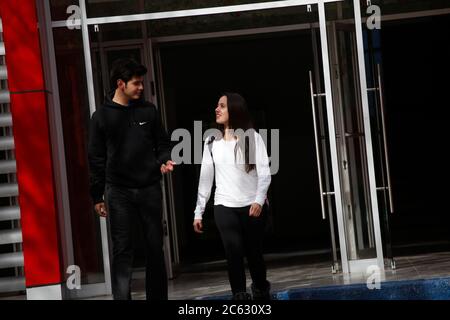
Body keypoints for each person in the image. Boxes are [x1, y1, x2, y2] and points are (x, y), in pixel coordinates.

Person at [88, 58, 175, 300]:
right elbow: (95, 158)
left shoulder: (149, 110)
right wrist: (97, 195)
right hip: (118, 193)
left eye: (142, 83)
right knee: (123, 250)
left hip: (149, 189)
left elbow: (163, 144)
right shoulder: (101, 117)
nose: (141, 88)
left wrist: (164, 159)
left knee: (154, 248)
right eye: (136, 83)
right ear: (120, 84)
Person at [193, 92, 272, 300]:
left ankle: (261, 289)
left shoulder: (253, 137)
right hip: (224, 206)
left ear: (235, 110)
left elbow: (264, 173)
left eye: (222, 106)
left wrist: (258, 200)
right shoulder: (211, 141)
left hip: (252, 205)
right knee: (233, 252)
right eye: (217, 105)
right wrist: (198, 212)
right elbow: (205, 179)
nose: (217, 109)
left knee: (254, 253)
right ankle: (239, 295)